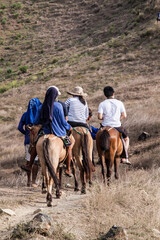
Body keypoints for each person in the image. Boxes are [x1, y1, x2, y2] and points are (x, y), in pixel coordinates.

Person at [21, 86, 74, 177]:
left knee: (36, 144)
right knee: (69, 145)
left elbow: (36, 121)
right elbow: (63, 121)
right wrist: (69, 127)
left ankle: (29, 165)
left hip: (45, 131)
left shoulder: (41, 107)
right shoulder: (59, 106)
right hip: (59, 132)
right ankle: (68, 168)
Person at [98, 86, 131, 165]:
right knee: (126, 139)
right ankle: (124, 157)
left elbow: (99, 117)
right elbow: (124, 115)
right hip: (117, 125)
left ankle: (100, 157)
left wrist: (105, 118)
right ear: (113, 93)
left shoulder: (102, 104)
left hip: (105, 126)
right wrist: (117, 119)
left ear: (105, 95)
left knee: (99, 138)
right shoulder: (119, 103)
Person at [18, 98, 42, 187]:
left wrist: (26, 134)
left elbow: (20, 127)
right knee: (36, 161)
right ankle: (34, 181)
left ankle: (28, 182)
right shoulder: (40, 114)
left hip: (28, 141)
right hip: (39, 140)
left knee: (29, 161)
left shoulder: (25, 115)